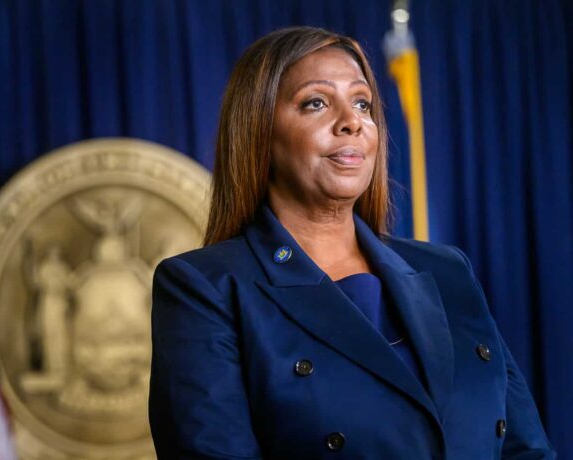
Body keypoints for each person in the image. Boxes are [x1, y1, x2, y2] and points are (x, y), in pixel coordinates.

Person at [148, 26, 555, 459]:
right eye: (316, 103)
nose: (352, 122)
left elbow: (526, 449)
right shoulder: (204, 287)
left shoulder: (448, 270)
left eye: (362, 103)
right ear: (259, 130)